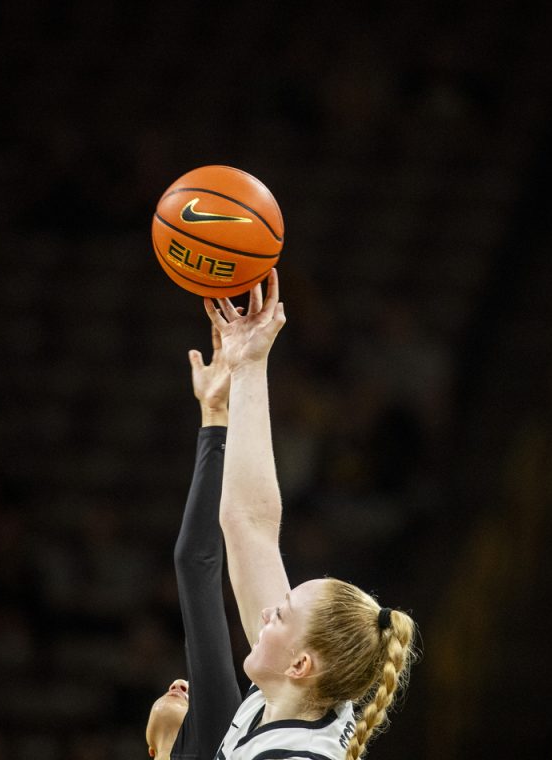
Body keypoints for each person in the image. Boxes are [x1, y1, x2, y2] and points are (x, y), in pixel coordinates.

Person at [207, 270, 417, 760]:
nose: (266, 611)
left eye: (280, 614)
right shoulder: (295, 698)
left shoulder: (296, 743)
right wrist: (249, 363)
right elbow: (249, 524)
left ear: (300, 663)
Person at [144, 325, 243, 758]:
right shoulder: (213, 740)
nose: (183, 682)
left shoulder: (209, 740)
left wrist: (214, 416)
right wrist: (215, 416)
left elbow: (195, 561)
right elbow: (195, 561)